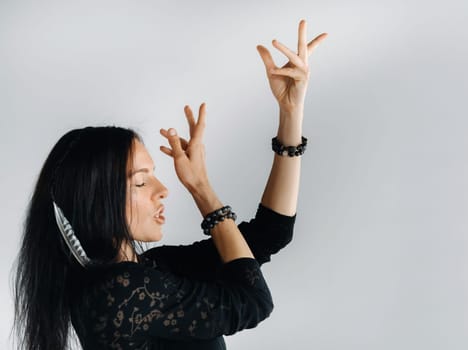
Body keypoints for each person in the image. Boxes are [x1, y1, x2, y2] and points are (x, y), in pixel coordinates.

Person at [13, 20, 327, 350]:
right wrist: (202, 189)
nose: (162, 189)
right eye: (140, 182)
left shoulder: (152, 271)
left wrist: (290, 113)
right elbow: (252, 301)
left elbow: (269, 234)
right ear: (97, 201)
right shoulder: (121, 291)